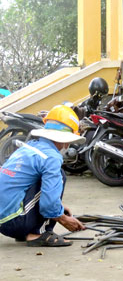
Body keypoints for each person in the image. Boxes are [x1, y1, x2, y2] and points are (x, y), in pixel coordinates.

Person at [0, 105, 86, 247]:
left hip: (4, 220)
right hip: (14, 221)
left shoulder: (29, 146)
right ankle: (38, 234)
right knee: (60, 175)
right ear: (66, 139)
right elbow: (49, 205)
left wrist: (60, 206)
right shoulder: (51, 157)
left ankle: (28, 230)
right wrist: (63, 218)